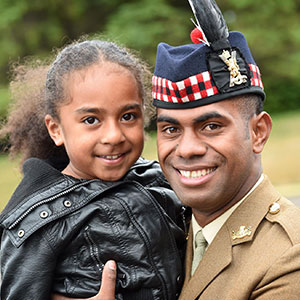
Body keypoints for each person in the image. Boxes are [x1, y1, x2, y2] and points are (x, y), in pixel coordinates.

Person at [61, 0, 300, 299]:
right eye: (171, 129)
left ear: (258, 132)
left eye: (211, 126)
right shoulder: (168, 224)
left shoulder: (289, 256)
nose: (186, 149)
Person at [0, 39, 187, 300]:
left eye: (128, 116)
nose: (113, 135)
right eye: (91, 120)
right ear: (56, 129)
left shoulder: (160, 180)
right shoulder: (40, 223)